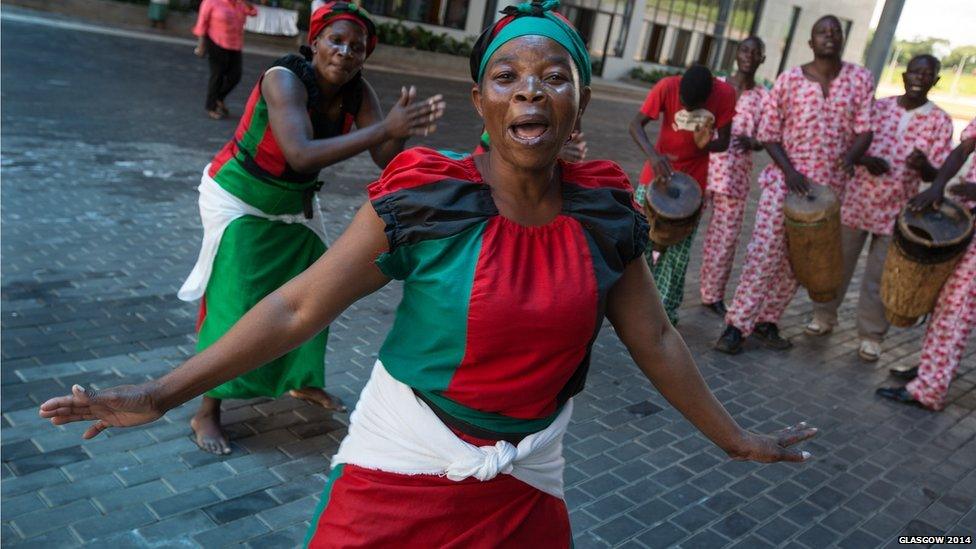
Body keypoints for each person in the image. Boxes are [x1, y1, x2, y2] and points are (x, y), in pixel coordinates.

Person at [38, 2, 816, 544]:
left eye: (553, 75)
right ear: (481, 100)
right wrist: (159, 393)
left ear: (578, 103)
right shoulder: (427, 196)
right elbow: (296, 307)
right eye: (507, 76)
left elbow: (656, 338)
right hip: (400, 463)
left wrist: (735, 439)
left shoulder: (606, 211)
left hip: (527, 476)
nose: (530, 89)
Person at [175, 2, 445, 454]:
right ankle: (207, 410)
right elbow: (300, 154)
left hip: (294, 205)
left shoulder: (359, 94)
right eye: (335, 41)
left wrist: (400, 129)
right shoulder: (284, 79)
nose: (344, 52)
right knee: (235, 301)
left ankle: (300, 380)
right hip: (240, 197)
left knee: (318, 292)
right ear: (314, 42)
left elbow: (385, 160)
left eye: (356, 47)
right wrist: (384, 130)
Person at [715, 15, 875, 355]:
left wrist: (850, 157)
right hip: (784, 182)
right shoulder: (789, 80)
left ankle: (768, 321)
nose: (829, 37)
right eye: (822, 32)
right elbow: (769, 133)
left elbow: (866, 129)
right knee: (764, 253)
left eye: (835, 32)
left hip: (827, 192)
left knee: (799, 259)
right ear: (811, 42)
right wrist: (789, 172)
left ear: (843, 39)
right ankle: (736, 326)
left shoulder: (860, 79)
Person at [807, 55, 953, 362]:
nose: (918, 78)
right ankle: (823, 318)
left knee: (880, 275)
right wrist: (864, 160)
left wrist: (923, 165)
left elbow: (935, 175)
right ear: (904, 75)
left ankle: (871, 335)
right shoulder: (879, 107)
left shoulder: (940, 121)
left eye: (927, 74)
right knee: (839, 264)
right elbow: (850, 146)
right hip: (857, 201)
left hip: (899, 211)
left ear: (935, 81)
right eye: (914, 72)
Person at [876, 117, 976, 410]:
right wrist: (938, 187)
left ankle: (929, 390)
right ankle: (930, 369)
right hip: (967, 218)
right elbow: (963, 149)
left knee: (957, 307)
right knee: (945, 301)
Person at [629, 64, 735, 325]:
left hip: (692, 184)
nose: (686, 108)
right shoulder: (667, 86)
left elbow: (725, 142)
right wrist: (653, 156)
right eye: (684, 103)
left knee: (677, 254)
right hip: (656, 176)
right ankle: (639, 301)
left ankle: (666, 313)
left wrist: (707, 143)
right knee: (638, 239)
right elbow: (635, 125)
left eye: (693, 105)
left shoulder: (725, 94)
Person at [699, 37, 768, 317]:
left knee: (725, 238)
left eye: (755, 52)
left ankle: (712, 294)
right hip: (702, 167)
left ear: (762, 59)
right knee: (681, 227)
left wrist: (754, 142)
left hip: (736, 176)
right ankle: (660, 289)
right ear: (736, 54)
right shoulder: (716, 84)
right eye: (744, 50)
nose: (749, 56)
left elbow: (767, 137)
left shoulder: (764, 97)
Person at [193, 0, 258, 119]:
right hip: (215, 42)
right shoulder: (211, 2)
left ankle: (219, 98)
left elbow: (253, 12)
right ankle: (211, 107)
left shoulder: (239, 4)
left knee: (235, 76)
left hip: (235, 44)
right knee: (217, 74)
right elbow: (202, 23)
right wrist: (201, 45)